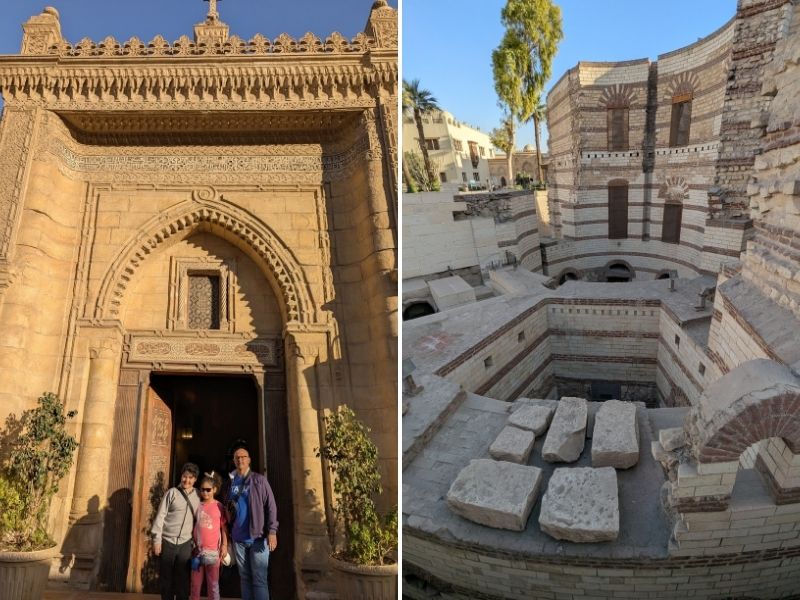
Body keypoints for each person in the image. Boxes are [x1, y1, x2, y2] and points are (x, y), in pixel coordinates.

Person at [225, 445, 278, 600]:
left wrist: (272, 531)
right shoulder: (231, 482)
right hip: (238, 539)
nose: (240, 459)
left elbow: (271, 506)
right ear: (234, 461)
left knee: (259, 580)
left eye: (243, 457)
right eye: (237, 457)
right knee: (245, 578)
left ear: (249, 460)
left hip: (258, 538)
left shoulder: (259, 480)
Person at [152, 462, 200, 600]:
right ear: (181, 476)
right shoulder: (172, 493)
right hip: (168, 541)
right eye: (185, 476)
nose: (187, 480)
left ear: (195, 479)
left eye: (191, 478)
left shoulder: (198, 495)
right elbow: (160, 516)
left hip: (185, 543)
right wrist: (157, 541)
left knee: (183, 579)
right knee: (166, 578)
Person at [191, 471, 228, 600]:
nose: (205, 492)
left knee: (213, 584)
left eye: (208, 490)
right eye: (202, 490)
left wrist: (224, 545)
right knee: (195, 585)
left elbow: (223, 528)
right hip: (197, 552)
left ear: (215, 489)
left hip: (213, 552)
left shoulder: (219, 506)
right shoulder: (198, 506)